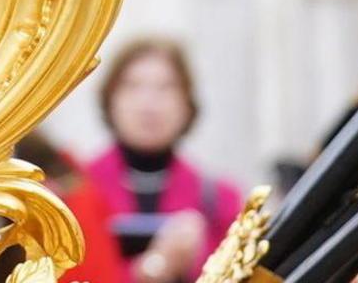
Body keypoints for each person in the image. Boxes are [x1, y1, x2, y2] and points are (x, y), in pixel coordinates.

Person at [67, 40, 242, 283]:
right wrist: (150, 269)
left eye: (166, 88)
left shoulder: (220, 199)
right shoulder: (74, 192)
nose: (149, 104)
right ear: (110, 99)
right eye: (133, 87)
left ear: (187, 104)